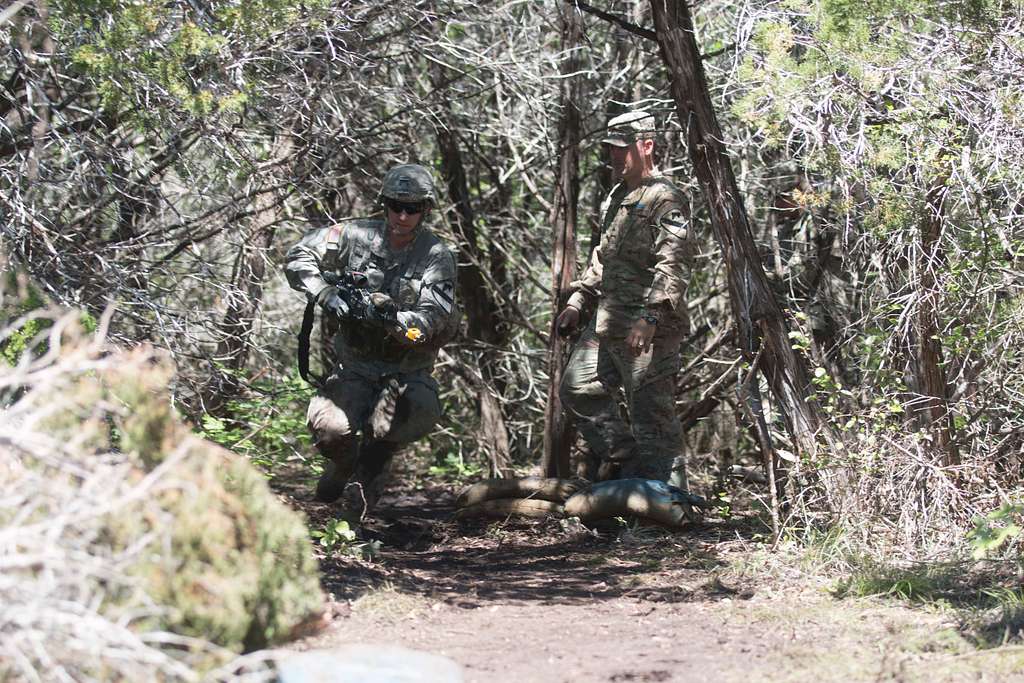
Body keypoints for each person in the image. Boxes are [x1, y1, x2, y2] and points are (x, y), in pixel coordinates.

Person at [285, 163, 459, 522]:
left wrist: (394, 320)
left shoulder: (436, 255)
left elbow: (434, 316)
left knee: (388, 430)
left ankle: (354, 514)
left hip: (406, 371)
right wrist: (325, 292)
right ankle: (342, 466)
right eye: (395, 205)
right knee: (330, 429)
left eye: (412, 208)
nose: (402, 215)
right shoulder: (352, 236)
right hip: (355, 367)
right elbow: (298, 256)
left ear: (426, 210)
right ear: (384, 203)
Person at [557, 110, 697, 487]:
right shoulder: (617, 196)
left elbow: (675, 262)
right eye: (610, 149)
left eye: (623, 149)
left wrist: (650, 316)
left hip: (647, 329)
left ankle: (669, 507)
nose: (615, 157)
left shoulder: (665, 198)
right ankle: (627, 462)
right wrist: (578, 301)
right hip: (608, 322)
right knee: (577, 388)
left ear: (646, 145)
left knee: (654, 420)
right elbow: (604, 256)